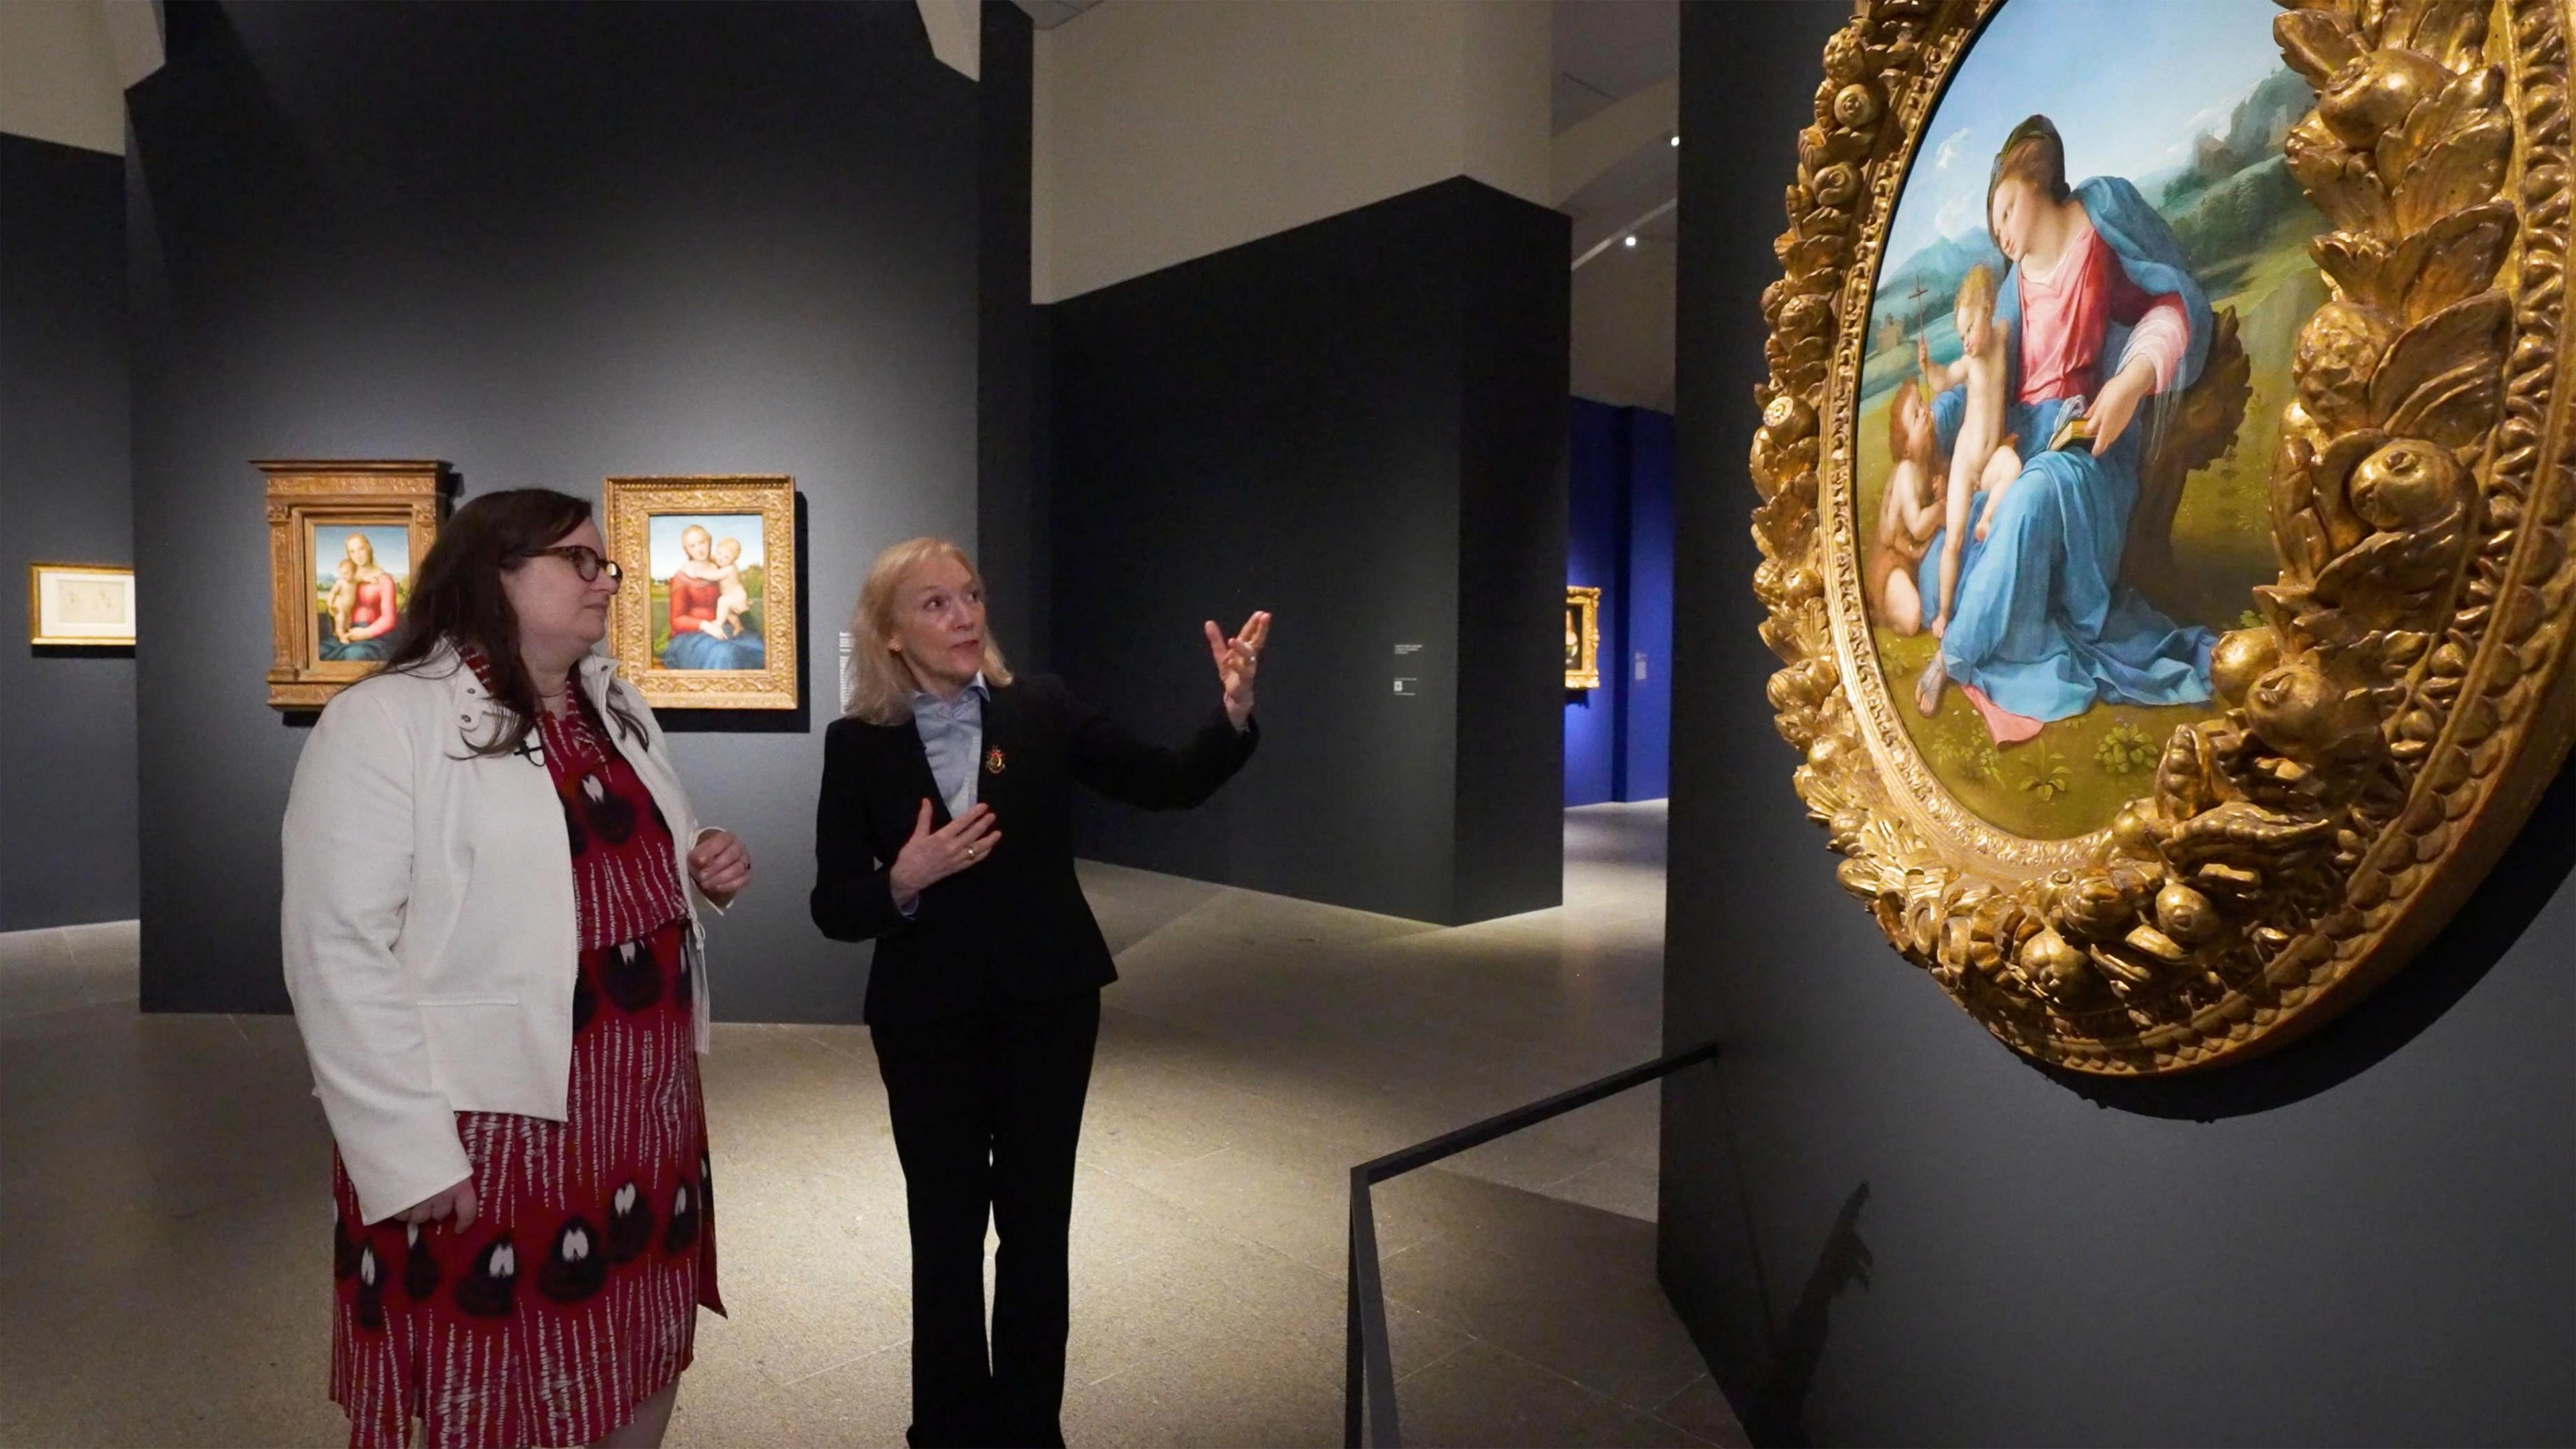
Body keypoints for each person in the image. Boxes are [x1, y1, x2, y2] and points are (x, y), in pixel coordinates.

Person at [282, 488, 755, 1449]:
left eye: (608, 564)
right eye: (578, 561)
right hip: (498, 1132)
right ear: (492, 574)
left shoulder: (612, 704)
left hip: (642, 1113)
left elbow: (597, 860)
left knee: (637, 1352)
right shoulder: (386, 722)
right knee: (499, 1383)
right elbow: (336, 950)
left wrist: (698, 860)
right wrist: (402, 1153)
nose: (608, 582)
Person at [810, 537, 1269, 1448]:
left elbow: (1165, 782)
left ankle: (1028, 1428)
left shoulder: (1043, 708)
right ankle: (945, 1426)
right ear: (892, 636)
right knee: (943, 1235)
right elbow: (834, 904)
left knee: (1034, 1227)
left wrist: (1232, 715)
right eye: (935, 604)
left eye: (971, 596)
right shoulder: (858, 744)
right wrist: (904, 877)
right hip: (925, 1018)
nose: (965, 616)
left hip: (1047, 1007)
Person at [1913, 114, 2216, 741]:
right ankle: (1979, 632)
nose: (1999, 233)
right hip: (2025, 439)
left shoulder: (2100, 219)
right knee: (1951, 547)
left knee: (2026, 501)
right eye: (1992, 223)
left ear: (2034, 176)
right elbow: (1983, 379)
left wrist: (2130, 384)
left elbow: (2170, 305)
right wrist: (1932, 427)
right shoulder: (2011, 289)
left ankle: (1956, 656)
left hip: (2085, 447)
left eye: (2004, 210)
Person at [1913, 263, 2023, 652]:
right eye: (1961, 335)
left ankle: (1989, 517)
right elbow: (1943, 382)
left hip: (1992, 456)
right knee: (1954, 539)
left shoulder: (2006, 334)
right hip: (1965, 463)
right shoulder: (1970, 362)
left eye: (1970, 330)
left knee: (2013, 466)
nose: (1967, 342)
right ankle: (1944, 611)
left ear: (1990, 311)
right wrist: (1928, 365)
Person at [1866, 378, 1946, 635]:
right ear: (1906, 448)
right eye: (1915, 416)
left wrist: (1943, 486)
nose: (1924, 411)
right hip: (1895, 558)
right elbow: (1920, 526)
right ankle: (1881, 611)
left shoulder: (1930, 454)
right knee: (1912, 619)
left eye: (1922, 403)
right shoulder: (1907, 472)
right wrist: (1942, 506)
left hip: (1917, 554)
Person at [659, 524, 764, 669]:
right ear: (687, 550)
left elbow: (732, 588)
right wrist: (706, 626)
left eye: (702, 542)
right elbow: (677, 620)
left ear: (709, 541)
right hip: (691, 636)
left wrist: (739, 603)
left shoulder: (721, 565)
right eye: (693, 546)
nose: (700, 549)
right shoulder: (682, 577)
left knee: (759, 648)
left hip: (724, 627)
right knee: (724, 654)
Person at [322, 532, 402, 661]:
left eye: (361, 549)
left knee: (354, 655)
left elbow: (389, 619)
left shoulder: (384, 579)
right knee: (321, 651)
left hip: (374, 636)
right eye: (352, 551)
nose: (358, 555)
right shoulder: (349, 579)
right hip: (348, 631)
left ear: (369, 549)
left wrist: (365, 633)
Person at [708, 536, 751, 641]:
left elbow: (713, 576)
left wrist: (700, 572)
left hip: (737, 597)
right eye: (719, 553)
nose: (720, 558)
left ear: (733, 560)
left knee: (723, 601)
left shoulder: (729, 569)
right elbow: (714, 557)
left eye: (726, 557)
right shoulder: (725, 562)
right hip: (733, 596)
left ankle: (718, 623)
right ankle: (738, 627)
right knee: (728, 613)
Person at [325, 555, 360, 645]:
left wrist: (370, 580)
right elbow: (333, 593)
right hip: (339, 607)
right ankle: (342, 637)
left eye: (346, 574)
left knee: (348, 623)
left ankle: (341, 633)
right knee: (340, 621)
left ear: (354, 573)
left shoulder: (355, 581)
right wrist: (330, 604)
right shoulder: (340, 582)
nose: (343, 576)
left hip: (348, 608)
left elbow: (363, 580)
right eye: (341, 574)